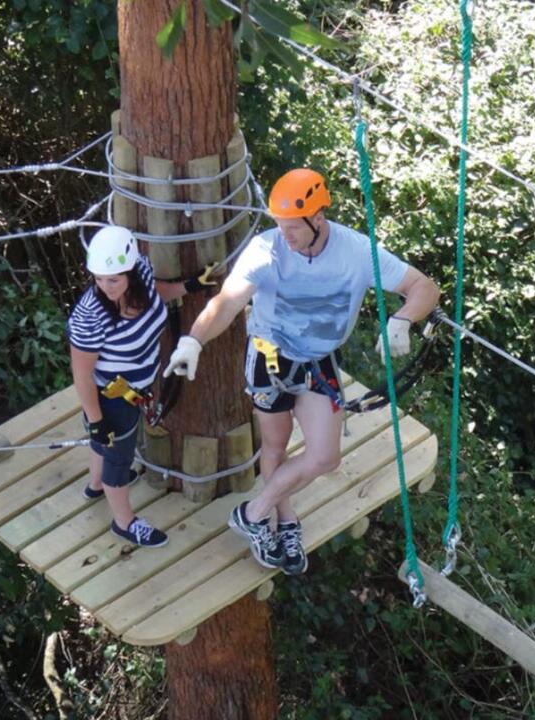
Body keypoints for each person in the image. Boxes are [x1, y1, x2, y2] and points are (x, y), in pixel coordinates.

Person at [163, 168, 440, 575]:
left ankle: (254, 513)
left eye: (293, 227)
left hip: (318, 361)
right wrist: (193, 340)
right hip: (270, 358)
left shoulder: (357, 252)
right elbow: (226, 302)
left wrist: (402, 320)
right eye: (280, 226)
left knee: (325, 457)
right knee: (274, 446)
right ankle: (284, 521)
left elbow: (424, 287)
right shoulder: (266, 250)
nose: (286, 236)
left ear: (318, 219)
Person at [68, 225, 216, 548]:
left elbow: (156, 292)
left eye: (113, 279)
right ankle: (124, 522)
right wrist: (96, 422)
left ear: (131, 271)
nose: (105, 287)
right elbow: (82, 374)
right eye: (99, 279)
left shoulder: (143, 273)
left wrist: (189, 286)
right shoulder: (90, 315)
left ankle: (96, 484)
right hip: (111, 398)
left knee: (110, 452)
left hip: (135, 389)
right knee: (119, 460)